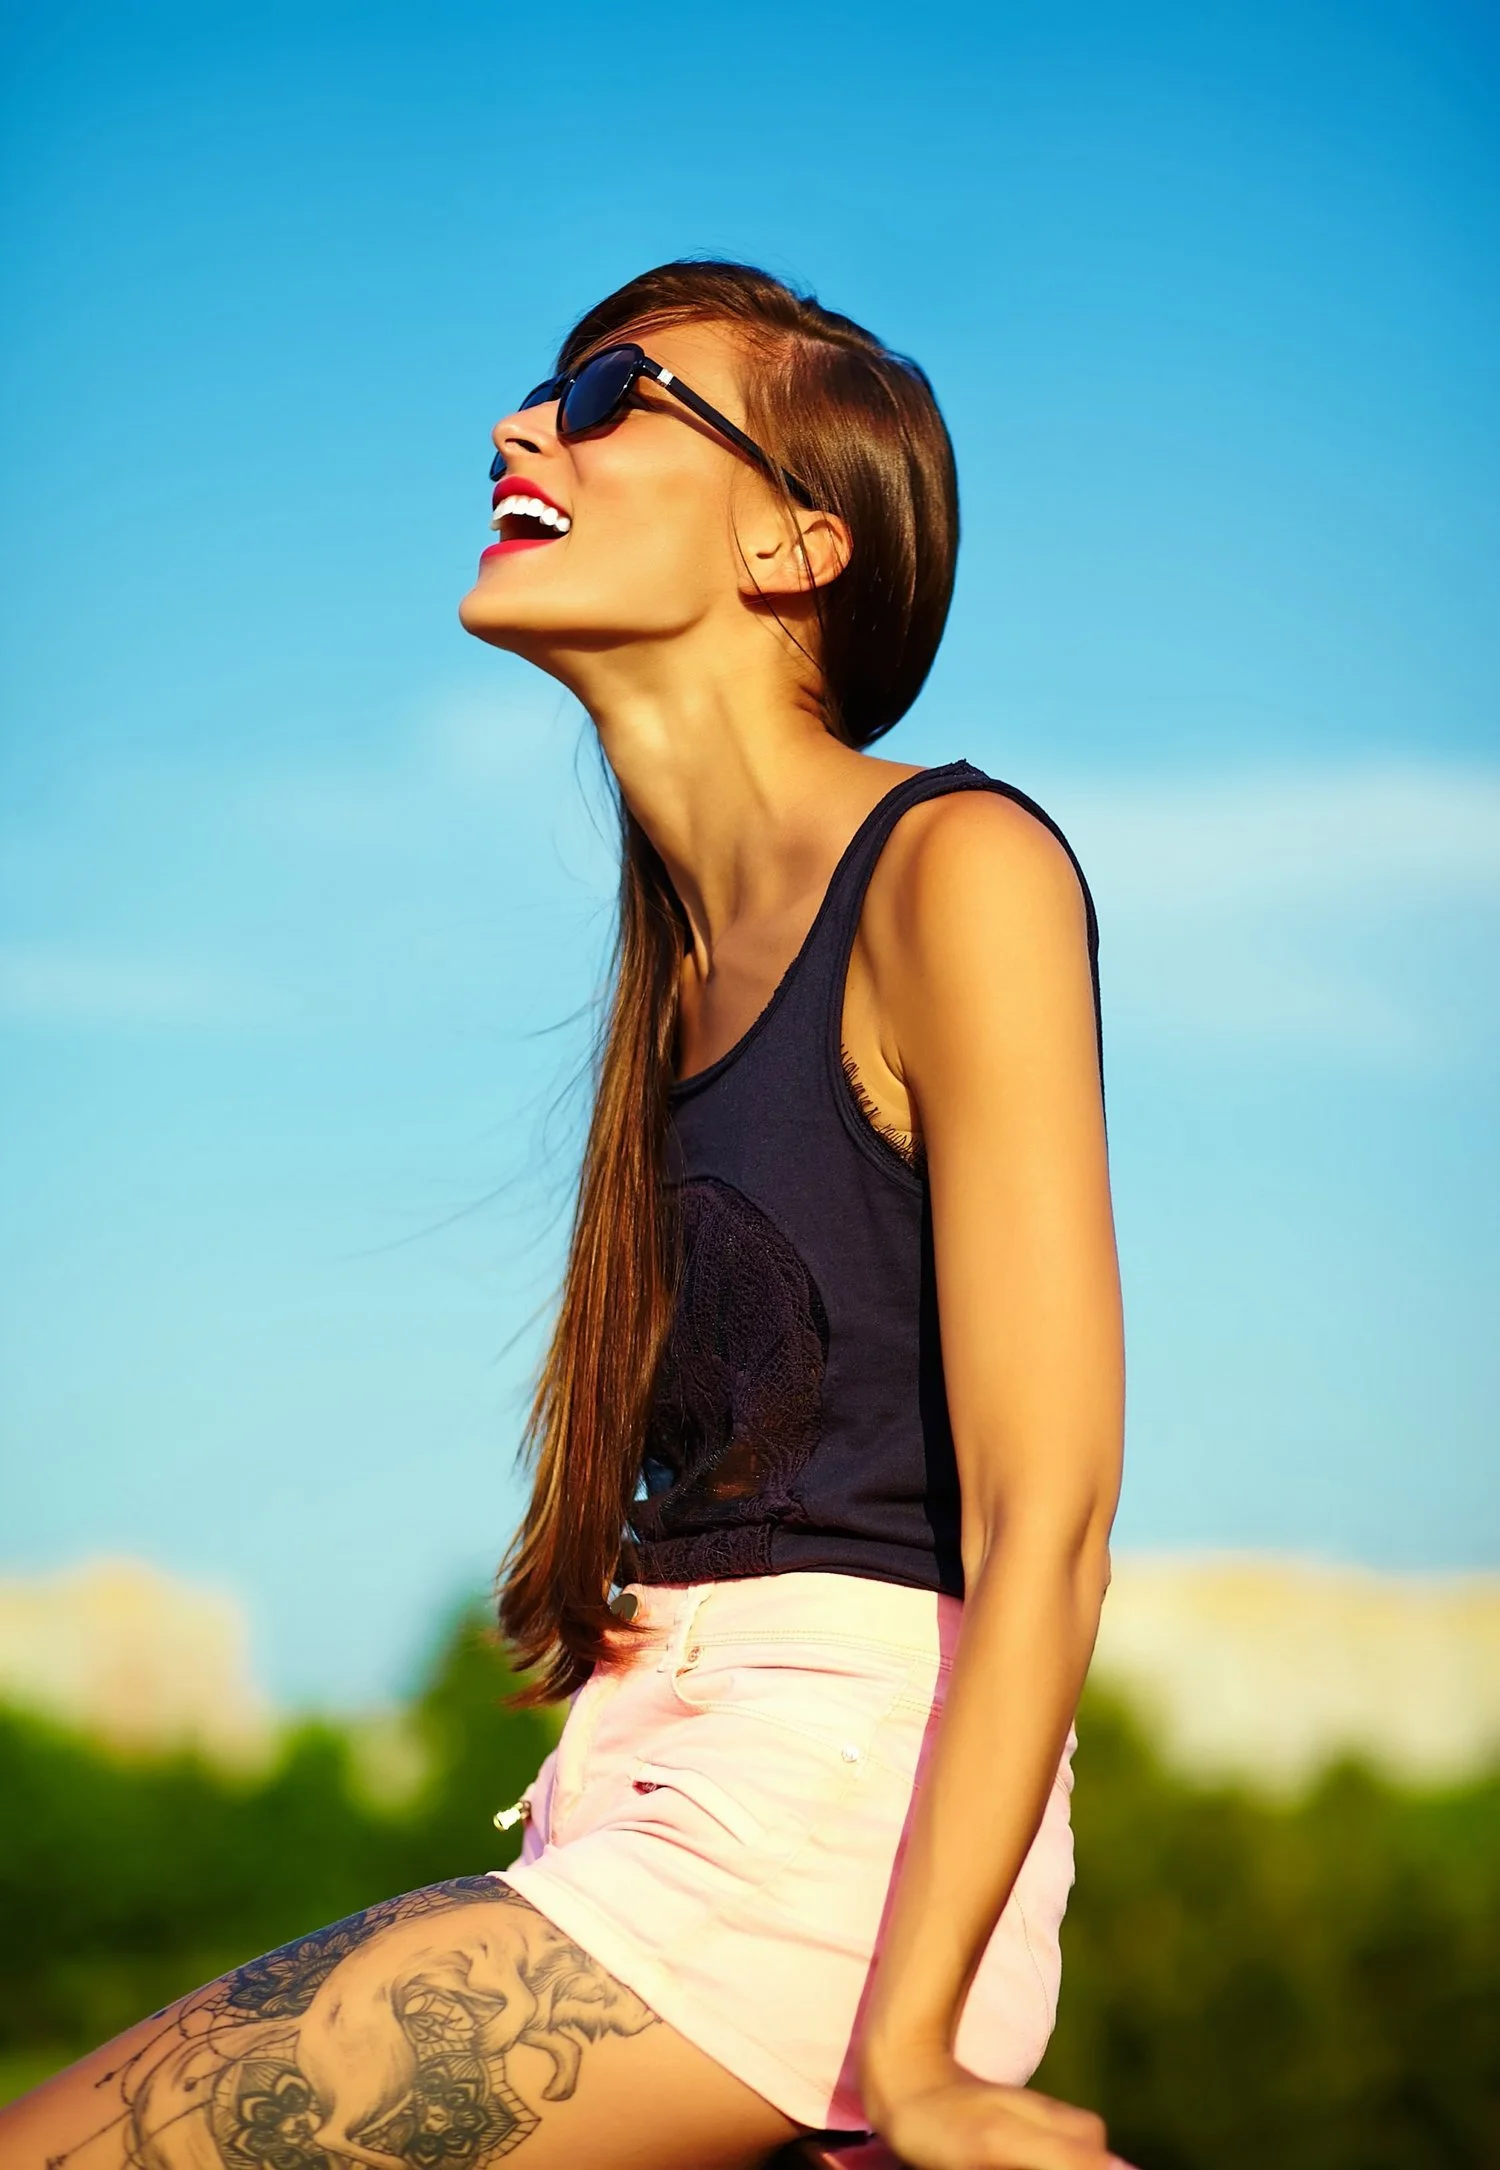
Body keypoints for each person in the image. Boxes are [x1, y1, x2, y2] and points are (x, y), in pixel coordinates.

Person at [1, 260, 1131, 2170]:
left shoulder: (962, 869)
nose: (528, 428)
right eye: (548, 387)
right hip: (646, 1788)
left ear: (797, 542)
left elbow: (1054, 1512)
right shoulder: (675, 982)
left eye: (617, 394)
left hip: (831, 1836)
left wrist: (924, 2050)